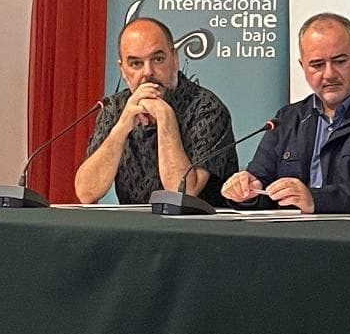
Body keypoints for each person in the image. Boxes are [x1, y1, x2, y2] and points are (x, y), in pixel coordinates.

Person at [221, 13, 350, 212]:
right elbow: (260, 180)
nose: (329, 74)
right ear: (303, 66)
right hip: (289, 231)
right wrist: (247, 191)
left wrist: (316, 200)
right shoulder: (287, 118)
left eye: (340, 61)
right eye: (317, 65)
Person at [75, 17, 237, 207]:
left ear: (175, 59)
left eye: (158, 59)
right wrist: (121, 127)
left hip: (197, 223)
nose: (148, 72)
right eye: (136, 64)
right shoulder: (114, 108)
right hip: (134, 224)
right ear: (123, 70)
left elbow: (182, 194)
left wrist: (166, 118)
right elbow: (86, 193)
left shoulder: (207, 108)